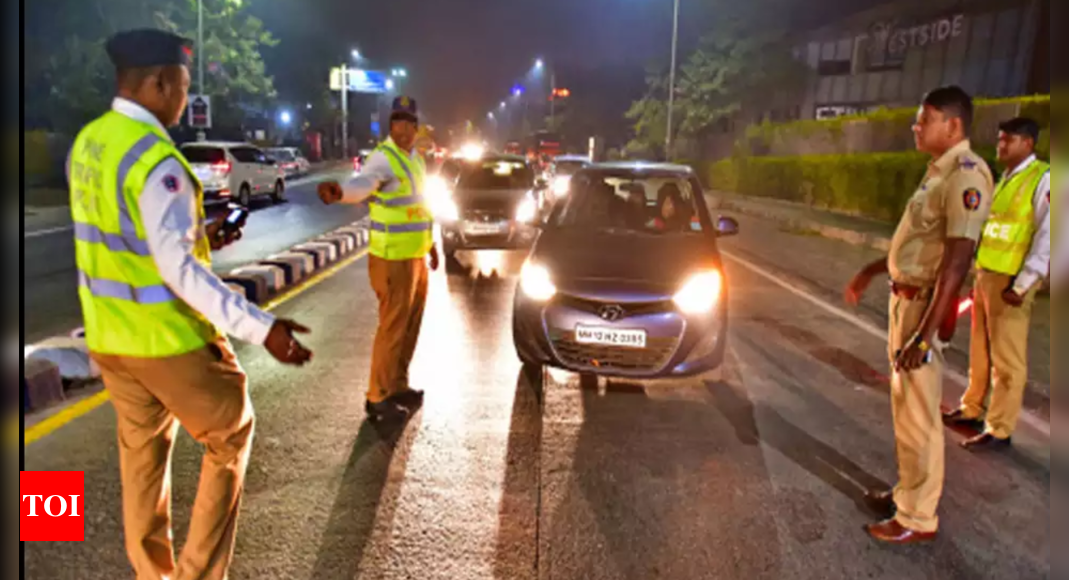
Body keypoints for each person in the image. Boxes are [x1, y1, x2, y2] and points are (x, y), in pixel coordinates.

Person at [69, 29, 313, 580]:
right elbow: (179, 272)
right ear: (157, 83)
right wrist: (263, 327)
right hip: (166, 339)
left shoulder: (90, 143)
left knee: (142, 464)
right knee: (231, 431)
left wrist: (202, 234)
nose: (186, 97)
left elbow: (126, 233)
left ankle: (151, 572)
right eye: (181, 85)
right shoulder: (159, 161)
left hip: (111, 341)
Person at [844, 86, 994, 545]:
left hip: (923, 309)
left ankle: (917, 518)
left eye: (924, 118)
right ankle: (907, 494)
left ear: (953, 125)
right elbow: (916, 242)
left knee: (920, 415)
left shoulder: (966, 175)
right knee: (906, 409)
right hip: (906, 302)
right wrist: (874, 270)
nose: (916, 125)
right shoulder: (939, 172)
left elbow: (956, 261)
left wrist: (925, 337)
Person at [317, 96, 439, 423]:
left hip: (415, 256)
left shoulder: (415, 159)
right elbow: (363, 184)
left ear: (416, 127)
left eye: (410, 123)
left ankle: (398, 385)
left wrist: (431, 246)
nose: (404, 129)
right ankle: (377, 396)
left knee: (410, 327)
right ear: (390, 126)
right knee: (392, 328)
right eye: (398, 122)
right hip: (392, 258)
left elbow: (420, 205)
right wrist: (341, 193)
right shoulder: (383, 160)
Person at [944, 117, 1050, 450]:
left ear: (1028, 143)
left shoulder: (1044, 179)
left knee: (1008, 360)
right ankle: (972, 407)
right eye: (1000, 139)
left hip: (1012, 282)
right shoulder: (1004, 179)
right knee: (980, 350)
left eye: (1009, 140)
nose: (1001, 145)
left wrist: (1024, 283)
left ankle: (1000, 428)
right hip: (987, 274)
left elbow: (1050, 236)